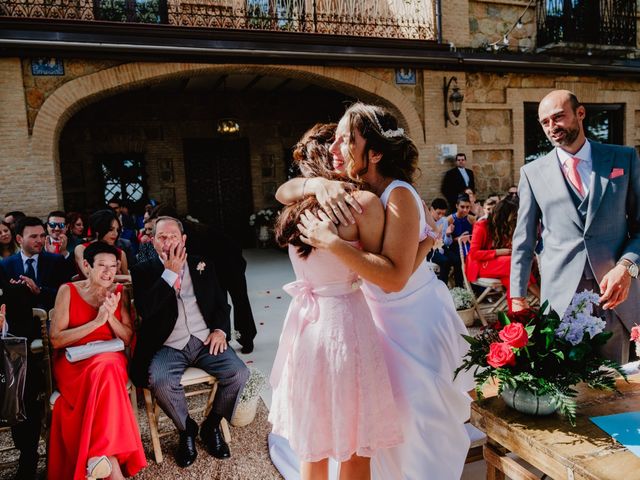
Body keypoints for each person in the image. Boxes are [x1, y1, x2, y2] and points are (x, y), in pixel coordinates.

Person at [280, 103, 473, 480]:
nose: (335, 148)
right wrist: (314, 183)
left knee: (415, 425)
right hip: (381, 317)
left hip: (410, 322)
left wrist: (332, 243)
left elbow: (393, 276)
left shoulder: (397, 194)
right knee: (382, 424)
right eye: (334, 139)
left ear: (375, 152)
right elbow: (283, 191)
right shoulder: (362, 189)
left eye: (345, 139)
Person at [270, 123, 402, 480]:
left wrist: (312, 185)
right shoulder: (363, 203)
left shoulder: (295, 205)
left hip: (306, 328)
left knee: (313, 444)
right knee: (356, 444)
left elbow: (284, 190)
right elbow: (380, 274)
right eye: (342, 142)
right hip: (345, 325)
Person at [511, 89, 640, 364]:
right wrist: (517, 297)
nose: (551, 127)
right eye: (545, 122)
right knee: (567, 391)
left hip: (616, 297)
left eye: (558, 117)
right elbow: (523, 241)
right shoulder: (532, 173)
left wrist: (627, 268)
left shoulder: (623, 159)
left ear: (580, 114)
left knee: (617, 388)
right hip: (561, 300)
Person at [130, 216, 249, 467]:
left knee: (238, 373)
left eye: (173, 236)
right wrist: (169, 275)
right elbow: (146, 310)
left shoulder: (202, 264)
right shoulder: (142, 270)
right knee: (160, 382)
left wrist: (219, 330)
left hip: (206, 340)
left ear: (183, 239)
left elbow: (220, 304)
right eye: (161, 237)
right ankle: (186, 429)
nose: (167, 241)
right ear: (153, 242)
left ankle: (212, 425)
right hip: (168, 345)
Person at [47, 242, 146, 480]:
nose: (108, 272)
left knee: (108, 365)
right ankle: (109, 464)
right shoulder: (67, 290)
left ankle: (102, 460)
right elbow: (57, 340)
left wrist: (110, 318)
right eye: (101, 265)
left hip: (109, 358)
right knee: (106, 370)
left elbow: (127, 337)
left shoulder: (119, 292)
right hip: (74, 363)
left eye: (113, 266)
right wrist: (96, 322)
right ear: (86, 266)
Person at [0, 267, 44, 480]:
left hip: (8, 361)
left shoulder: (13, 288)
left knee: (26, 378)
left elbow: (25, 325)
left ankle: (28, 457)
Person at [467, 196, 539, 310]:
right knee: (513, 263)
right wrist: (498, 252)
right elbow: (474, 253)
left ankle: (517, 313)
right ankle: (541, 297)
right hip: (480, 266)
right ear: (504, 215)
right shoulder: (481, 225)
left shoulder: (504, 227)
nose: (515, 219)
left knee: (513, 275)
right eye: (513, 216)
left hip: (502, 266)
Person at [1, 216, 72, 312]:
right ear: (19, 239)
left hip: (52, 316)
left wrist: (39, 290)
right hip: (20, 321)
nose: (40, 240)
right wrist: (15, 291)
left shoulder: (56, 261)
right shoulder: (6, 265)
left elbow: (67, 293)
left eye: (42, 235)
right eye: (33, 236)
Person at [75, 209, 130, 282]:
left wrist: (123, 276)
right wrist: (122, 277)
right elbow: (89, 275)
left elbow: (128, 283)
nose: (115, 234)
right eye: (111, 229)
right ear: (98, 229)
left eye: (117, 230)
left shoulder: (121, 253)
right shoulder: (81, 249)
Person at [445, 193, 476, 287]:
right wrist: (457, 238)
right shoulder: (450, 219)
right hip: (455, 247)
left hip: (469, 245)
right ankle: (460, 287)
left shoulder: (471, 219)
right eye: (462, 207)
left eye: (468, 207)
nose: (465, 210)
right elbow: (445, 240)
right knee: (458, 260)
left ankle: (475, 286)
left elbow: (476, 235)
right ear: (457, 206)